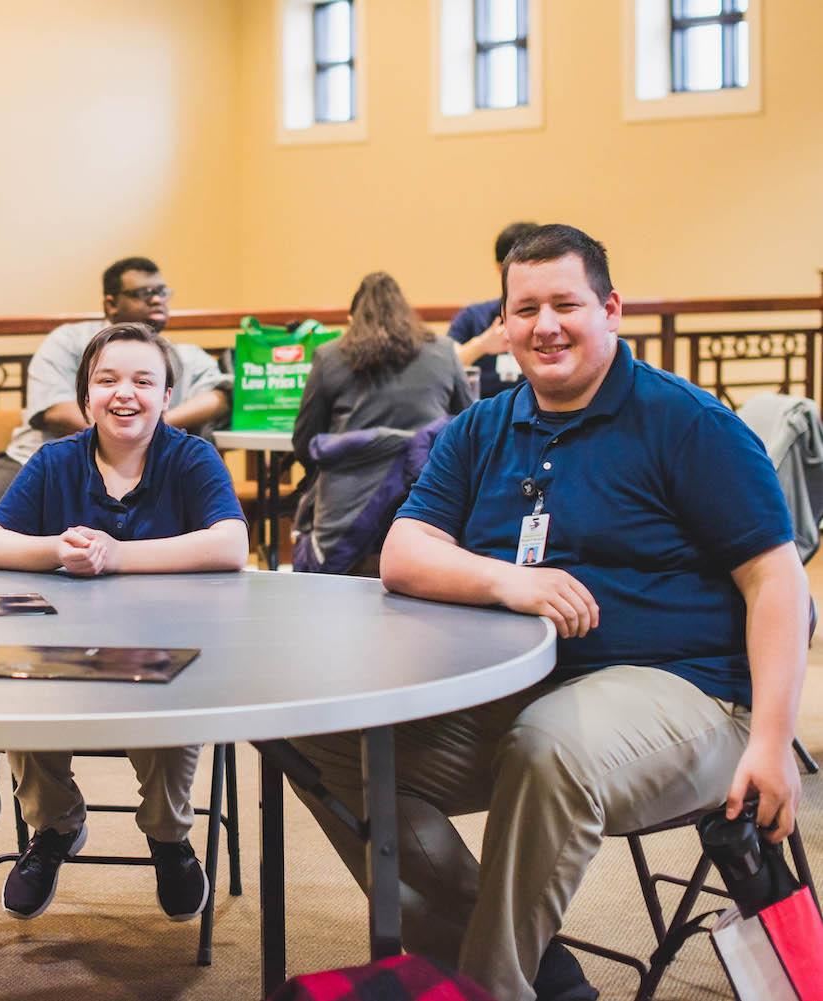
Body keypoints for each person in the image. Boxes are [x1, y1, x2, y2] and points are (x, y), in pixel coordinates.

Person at [287, 225, 808, 1001]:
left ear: (611, 309)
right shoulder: (483, 426)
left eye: (566, 303)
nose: (545, 325)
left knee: (549, 744)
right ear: (504, 322)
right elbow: (404, 549)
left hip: (694, 694)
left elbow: (777, 582)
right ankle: (532, 969)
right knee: (319, 731)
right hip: (520, 688)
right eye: (524, 308)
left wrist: (770, 741)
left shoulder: (688, 422)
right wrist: (508, 581)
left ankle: (493, 986)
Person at [0, 321, 248, 923]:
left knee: (176, 694)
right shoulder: (53, 461)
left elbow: (231, 544)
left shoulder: (192, 456)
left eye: (144, 380)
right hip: (64, 652)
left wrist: (117, 556)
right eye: (108, 380)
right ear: (86, 395)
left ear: (167, 395)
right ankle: (55, 827)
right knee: (14, 684)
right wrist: (57, 550)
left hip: (161, 649)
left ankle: (169, 837)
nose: (126, 393)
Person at [0, 256, 232, 545]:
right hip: (34, 459)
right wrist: (117, 425)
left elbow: (220, 395)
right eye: (144, 294)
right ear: (111, 304)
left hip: (145, 461)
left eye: (162, 292)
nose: (156, 300)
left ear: (165, 394)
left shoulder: (183, 355)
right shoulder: (67, 341)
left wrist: (149, 422)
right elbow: (55, 411)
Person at [291, 272, 473, 574]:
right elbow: (466, 426)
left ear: (352, 319)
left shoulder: (329, 356)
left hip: (346, 513)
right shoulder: (444, 352)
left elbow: (304, 441)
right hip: (426, 498)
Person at [448, 221, 540, 399]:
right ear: (500, 268)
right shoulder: (473, 317)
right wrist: (481, 345)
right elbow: (442, 370)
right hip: (485, 415)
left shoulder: (550, 322)